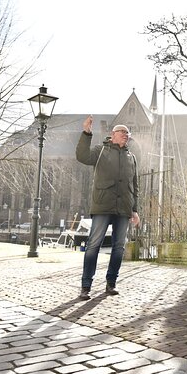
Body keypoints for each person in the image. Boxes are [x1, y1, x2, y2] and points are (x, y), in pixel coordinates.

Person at [76, 116, 140, 300]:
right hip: (103, 205)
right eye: (122, 132)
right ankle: (86, 286)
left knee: (119, 247)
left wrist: (135, 210)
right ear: (113, 134)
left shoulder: (131, 157)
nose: (126, 135)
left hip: (123, 208)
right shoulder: (100, 150)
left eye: (128, 133)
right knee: (93, 245)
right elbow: (82, 156)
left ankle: (111, 284)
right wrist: (86, 133)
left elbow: (135, 186)